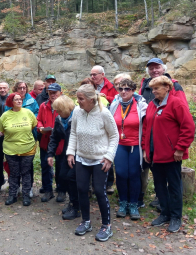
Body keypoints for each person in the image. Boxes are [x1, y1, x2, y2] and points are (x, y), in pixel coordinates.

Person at [142, 76, 194, 233]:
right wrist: (145, 149)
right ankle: (164, 213)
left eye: (157, 88)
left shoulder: (176, 103)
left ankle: (176, 216)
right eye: (152, 88)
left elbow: (188, 126)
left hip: (172, 155)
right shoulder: (152, 105)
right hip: (154, 154)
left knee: (174, 186)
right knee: (159, 186)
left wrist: (180, 148)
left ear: (167, 87)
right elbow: (146, 130)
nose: (153, 91)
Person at [66, 84, 119, 242]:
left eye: (81, 99)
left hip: (100, 159)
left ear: (91, 99)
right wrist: (70, 152)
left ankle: (106, 226)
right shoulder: (77, 111)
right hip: (82, 157)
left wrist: (109, 157)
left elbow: (114, 135)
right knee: (81, 189)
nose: (78, 101)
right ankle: (86, 221)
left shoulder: (104, 113)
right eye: (78, 98)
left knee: (99, 191)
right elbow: (74, 132)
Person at [139, 58, 187, 210]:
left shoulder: (175, 91)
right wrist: (146, 147)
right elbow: (145, 122)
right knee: (159, 180)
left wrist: (180, 147)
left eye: (157, 67)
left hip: (170, 147)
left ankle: (174, 213)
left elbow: (186, 123)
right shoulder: (148, 93)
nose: (154, 70)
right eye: (151, 68)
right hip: (154, 146)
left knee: (173, 181)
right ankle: (163, 206)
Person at [109, 79, 148, 220]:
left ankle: (133, 204)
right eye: (121, 89)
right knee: (120, 173)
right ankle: (123, 202)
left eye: (127, 89)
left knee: (134, 174)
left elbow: (146, 127)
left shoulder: (141, 105)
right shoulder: (114, 105)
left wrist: (144, 148)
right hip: (119, 145)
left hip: (135, 145)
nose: (124, 92)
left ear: (133, 91)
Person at [0, 93, 37, 206]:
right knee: (14, 173)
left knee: (26, 173)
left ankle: (26, 195)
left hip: (28, 148)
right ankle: (12, 195)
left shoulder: (28, 113)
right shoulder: (5, 115)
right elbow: (1, 129)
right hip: (11, 150)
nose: (19, 101)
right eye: (16, 100)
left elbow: (33, 125)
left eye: (20, 99)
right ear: (11, 102)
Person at [46, 96, 79, 220]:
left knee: (73, 179)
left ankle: (77, 207)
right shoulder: (60, 119)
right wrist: (50, 154)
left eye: (59, 110)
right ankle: (72, 203)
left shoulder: (78, 117)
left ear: (67, 108)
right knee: (64, 177)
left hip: (79, 154)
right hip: (67, 153)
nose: (57, 113)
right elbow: (54, 138)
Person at [5, 81, 39, 196]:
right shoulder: (8, 107)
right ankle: (13, 192)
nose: (23, 89)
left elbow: (36, 118)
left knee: (27, 170)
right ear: (16, 89)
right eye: (20, 88)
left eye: (24, 87)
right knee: (14, 171)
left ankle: (27, 191)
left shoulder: (31, 101)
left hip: (28, 141)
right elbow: (2, 125)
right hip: (12, 145)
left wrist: (25, 122)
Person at [37, 83, 63, 202]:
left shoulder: (64, 105)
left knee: (61, 167)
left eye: (55, 93)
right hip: (46, 141)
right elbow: (39, 120)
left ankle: (61, 190)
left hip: (60, 141)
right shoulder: (43, 105)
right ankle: (48, 191)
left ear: (60, 93)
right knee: (45, 166)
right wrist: (41, 128)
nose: (52, 95)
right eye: (50, 93)